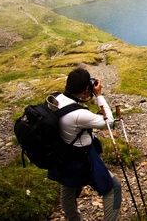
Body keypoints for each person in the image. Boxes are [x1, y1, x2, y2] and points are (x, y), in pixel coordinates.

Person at [48, 67, 122, 221]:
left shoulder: (55, 99)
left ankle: (73, 218)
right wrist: (99, 96)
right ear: (85, 91)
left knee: (68, 186)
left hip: (63, 154)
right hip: (82, 157)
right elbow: (109, 122)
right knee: (113, 187)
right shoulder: (78, 115)